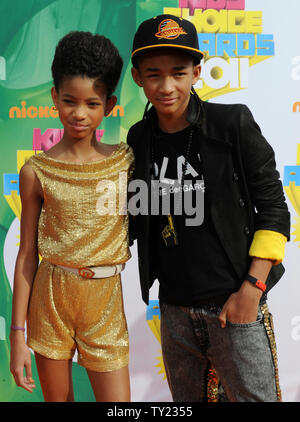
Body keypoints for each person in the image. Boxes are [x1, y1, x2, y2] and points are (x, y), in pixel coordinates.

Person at [127, 14, 290, 402]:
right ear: (137, 77)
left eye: (178, 73)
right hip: (174, 310)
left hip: (235, 302)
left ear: (197, 71)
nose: (167, 86)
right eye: (154, 74)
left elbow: (273, 208)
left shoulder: (231, 124)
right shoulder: (139, 138)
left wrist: (252, 289)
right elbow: (136, 215)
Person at [10, 31, 134, 402]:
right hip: (49, 300)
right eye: (69, 101)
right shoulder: (36, 171)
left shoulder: (126, 162)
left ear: (109, 105)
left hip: (105, 302)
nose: (79, 113)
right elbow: (28, 255)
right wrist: (17, 335)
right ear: (54, 98)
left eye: (92, 104)